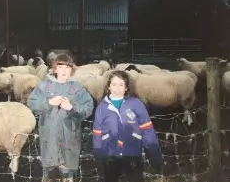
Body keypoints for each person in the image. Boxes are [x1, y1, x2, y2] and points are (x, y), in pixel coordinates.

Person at [27, 53, 94, 182]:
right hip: (49, 138)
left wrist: (72, 108)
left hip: (69, 138)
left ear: (72, 70)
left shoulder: (77, 88)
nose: (64, 70)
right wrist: (48, 103)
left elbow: (88, 108)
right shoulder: (44, 86)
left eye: (67, 67)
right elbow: (32, 104)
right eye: (61, 67)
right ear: (55, 69)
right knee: (49, 173)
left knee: (67, 174)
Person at [92, 70, 163, 182]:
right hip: (110, 155)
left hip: (132, 153)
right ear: (108, 87)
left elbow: (147, 130)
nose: (117, 88)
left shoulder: (136, 104)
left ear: (126, 88)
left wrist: (154, 155)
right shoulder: (102, 107)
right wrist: (98, 153)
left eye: (121, 85)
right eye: (114, 84)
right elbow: (97, 132)